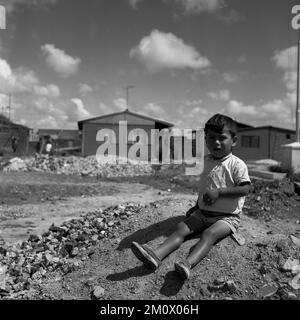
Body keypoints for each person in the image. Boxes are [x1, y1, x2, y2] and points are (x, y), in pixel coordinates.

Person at [131, 113, 251, 280]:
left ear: (234, 141)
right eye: (211, 137)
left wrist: (218, 193)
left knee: (209, 235)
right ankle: (156, 256)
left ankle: (187, 264)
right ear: (205, 138)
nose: (216, 142)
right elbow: (205, 188)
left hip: (227, 217)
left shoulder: (236, 164)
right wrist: (197, 206)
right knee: (181, 228)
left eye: (222, 138)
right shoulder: (205, 161)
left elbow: (246, 189)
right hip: (203, 213)